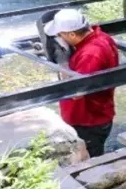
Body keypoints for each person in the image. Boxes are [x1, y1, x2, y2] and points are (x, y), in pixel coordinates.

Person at [43, 9, 119, 157]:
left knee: (90, 160)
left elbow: (76, 92)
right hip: (96, 113)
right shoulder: (101, 37)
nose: (58, 38)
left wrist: (63, 63)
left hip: (88, 119)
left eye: (60, 34)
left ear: (71, 34)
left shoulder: (90, 54)